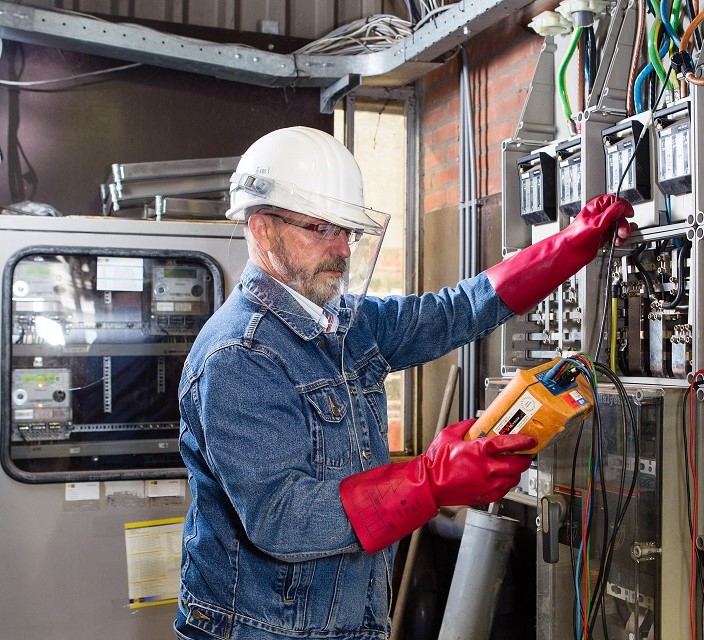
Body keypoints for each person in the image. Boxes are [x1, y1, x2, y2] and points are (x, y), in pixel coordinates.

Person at [175, 126, 634, 640]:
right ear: (263, 230)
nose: (342, 250)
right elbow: (283, 518)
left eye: (349, 231)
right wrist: (432, 480)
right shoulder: (239, 356)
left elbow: (452, 312)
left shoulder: (343, 320)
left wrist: (572, 245)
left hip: (345, 622)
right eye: (322, 229)